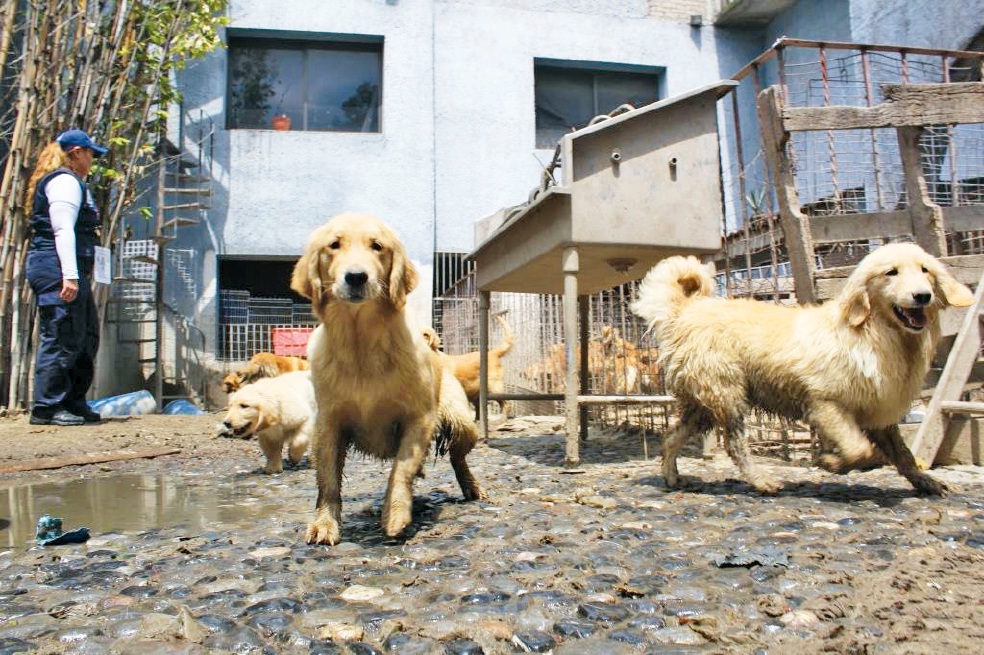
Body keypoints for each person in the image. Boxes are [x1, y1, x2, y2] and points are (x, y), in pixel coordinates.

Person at [24, 129, 108, 426]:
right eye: (90, 154)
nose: (92, 160)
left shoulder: (75, 183)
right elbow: (62, 230)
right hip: (55, 268)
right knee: (61, 336)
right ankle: (47, 407)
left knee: (85, 337)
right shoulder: (64, 182)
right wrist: (69, 276)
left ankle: (73, 401)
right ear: (76, 153)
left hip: (68, 269)